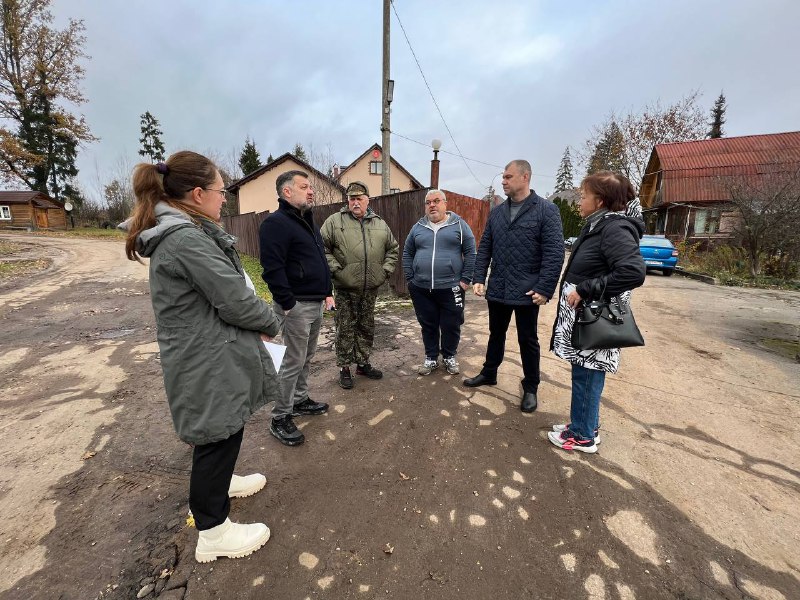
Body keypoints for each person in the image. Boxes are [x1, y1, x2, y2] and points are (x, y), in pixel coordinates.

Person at [124, 151, 277, 563]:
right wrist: (271, 321)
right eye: (220, 190)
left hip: (210, 348)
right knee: (216, 435)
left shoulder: (187, 230)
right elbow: (233, 297)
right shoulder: (186, 239)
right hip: (206, 354)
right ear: (196, 194)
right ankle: (212, 531)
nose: (224, 198)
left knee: (225, 425)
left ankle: (221, 484)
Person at [548, 171, 646, 453]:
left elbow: (632, 272)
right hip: (586, 318)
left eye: (583, 196)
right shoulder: (601, 224)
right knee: (585, 373)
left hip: (595, 318)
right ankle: (584, 425)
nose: (579, 201)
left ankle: (582, 436)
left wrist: (586, 289)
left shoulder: (614, 228)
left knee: (588, 375)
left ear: (600, 201)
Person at [464, 160, 564, 413]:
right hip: (498, 286)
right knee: (495, 334)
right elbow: (485, 245)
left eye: (508, 177)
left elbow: (554, 253)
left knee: (527, 339)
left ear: (525, 177)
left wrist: (544, 288)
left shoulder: (546, 210)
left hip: (527, 290)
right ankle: (489, 373)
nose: (503, 181)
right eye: (503, 177)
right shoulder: (497, 212)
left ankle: (531, 386)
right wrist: (479, 278)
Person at [259, 170, 334, 446]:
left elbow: (319, 260)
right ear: (286, 192)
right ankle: (280, 416)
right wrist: (287, 303)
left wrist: (327, 291)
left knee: (306, 357)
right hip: (296, 306)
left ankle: (300, 400)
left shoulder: (308, 221)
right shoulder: (275, 224)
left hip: (314, 302)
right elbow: (272, 268)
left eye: (311, 186)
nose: (311, 190)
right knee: (292, 361)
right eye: (305, 187)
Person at [320, 181, 399, 389]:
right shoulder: (334, 222)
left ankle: (362, 363)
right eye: (352, 199)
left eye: (359, 199)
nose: (356, 202)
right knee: (345, 328)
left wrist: (385, 271)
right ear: (347, 201)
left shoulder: (379, 223)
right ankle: (344, 368)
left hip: (370, 287)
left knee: (366, 326)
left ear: (367, 200)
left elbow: (393, 249)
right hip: (345, 288)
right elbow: (321, 248)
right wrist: (337, 270)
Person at [403, 189, 477, 375]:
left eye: (436, 201)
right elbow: (407, 252)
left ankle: (449, 356)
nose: (432, 205)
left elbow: (471, 252)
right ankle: (431, 358)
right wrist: (410, 279)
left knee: (451, 324)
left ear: (445, 203)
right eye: (428, 202)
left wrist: (465, 279)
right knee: (428, 324)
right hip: (421, 287)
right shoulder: (418, 227)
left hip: (451, 287)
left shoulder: (459, 225)